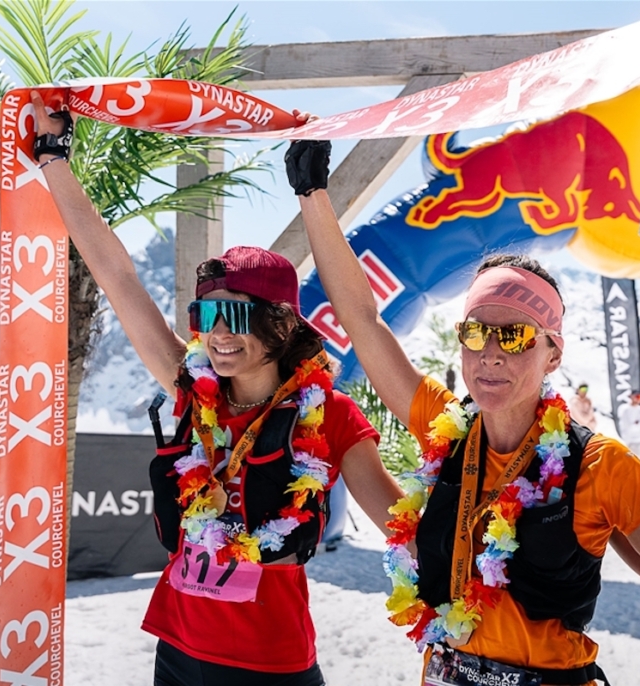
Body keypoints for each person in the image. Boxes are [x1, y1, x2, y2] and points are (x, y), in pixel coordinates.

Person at [30, 93, 403, 686]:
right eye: (207, 317)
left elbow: (401, 524)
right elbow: (117, 276)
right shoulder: (191, 390)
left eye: (240, 316)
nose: (219, 335)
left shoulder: (328, 414)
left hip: (271, 663)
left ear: (281, 325)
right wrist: (53, 157)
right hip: (178, 650)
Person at [286, 138, 640, 686]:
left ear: (553, 353)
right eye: (476, 333)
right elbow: (361, 319)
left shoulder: (598, 463)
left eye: (514, 336)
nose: (491, 353)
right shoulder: (447, 428)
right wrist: (313, 196)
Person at [616, 391, 640, 460]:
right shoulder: (624, 409)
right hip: (628, 442)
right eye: (637, 397)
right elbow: (625, 426)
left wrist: (639, 424)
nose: (639, 399)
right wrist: (637, 425)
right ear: (631, 396)